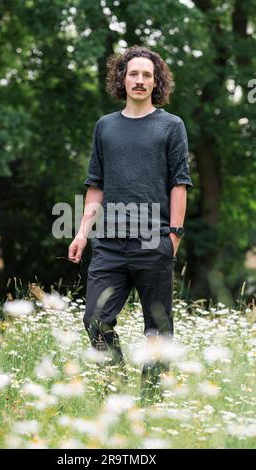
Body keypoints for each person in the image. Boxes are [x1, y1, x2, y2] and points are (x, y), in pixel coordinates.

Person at [68, 45, 193, 404]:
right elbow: (96, 186)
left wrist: (174, 236)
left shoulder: (171, 126)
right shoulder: (105, 126)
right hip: (108, 243)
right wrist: (80, 234)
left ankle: (151, 403)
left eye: (147, 75)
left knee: (157, 327)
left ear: (157, 82)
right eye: (133, 73)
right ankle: (116, 392)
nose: (140, 80)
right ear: (122, 78)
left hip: (155, 241)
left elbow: (179, 184)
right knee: (95, 319)